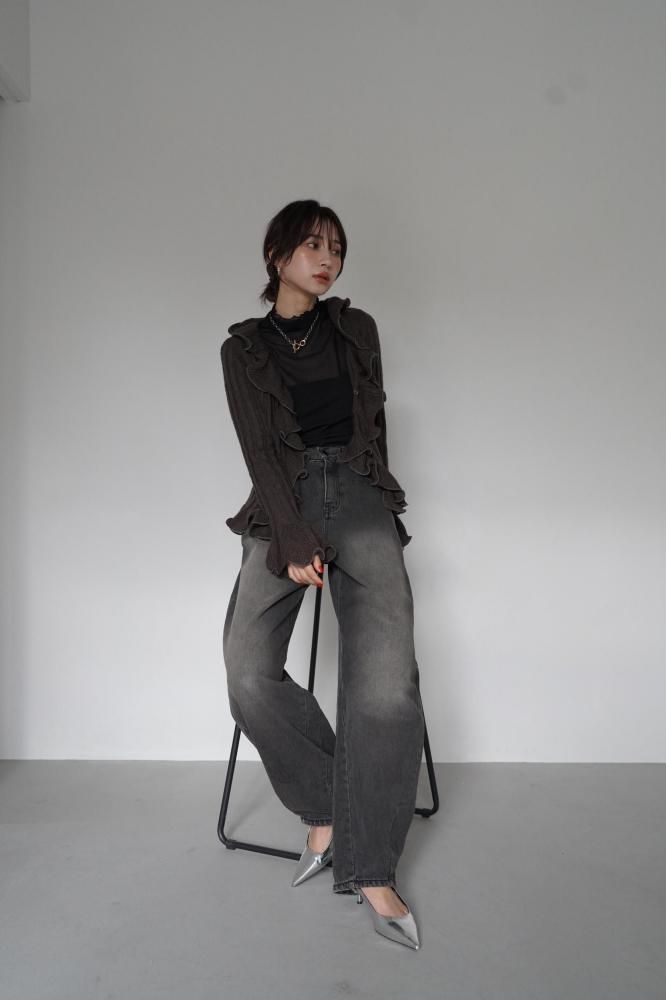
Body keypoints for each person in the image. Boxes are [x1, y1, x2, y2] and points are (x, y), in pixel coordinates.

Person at [220, 199, 425, 950]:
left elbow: (375, 427)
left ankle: (371, 867)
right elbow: (258, 450)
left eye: (336, 247)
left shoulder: (356, 328)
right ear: (276, 255)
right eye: (312, 245)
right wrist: (294, 534)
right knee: (247, 670)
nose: (327, 258)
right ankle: (330, 805)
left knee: (387, 685)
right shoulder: (242, 349)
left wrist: (380, 510)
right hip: (284, 503)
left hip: (361, 497)